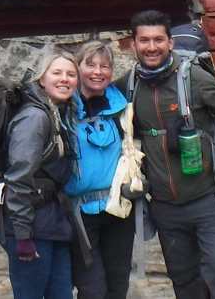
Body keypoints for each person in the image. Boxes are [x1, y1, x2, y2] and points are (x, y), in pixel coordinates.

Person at [124, 10, 215, 299]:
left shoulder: (192, 77)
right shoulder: (129, 85)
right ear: (133, 45)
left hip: (207, 201)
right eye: (144, 40)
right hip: (165, 208)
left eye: (158, 39)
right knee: (185, 285)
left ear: (170, 42)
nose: (152, 46)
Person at [1, 49, 80, 299]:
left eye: (71, 74)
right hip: (31, 229)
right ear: (41, 80)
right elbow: (18, 176)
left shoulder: (57, 114)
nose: (64, 79)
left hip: (51, 224)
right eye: (56, 73)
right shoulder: (34, 117)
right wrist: (23, 236)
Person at [64, 40, 137, 299]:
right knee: (92, 290)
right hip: (79, 214)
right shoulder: (62, 108)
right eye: (90, 65)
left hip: (118, 209)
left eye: (105, 66)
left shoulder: (123, 108)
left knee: (118, 286)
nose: (98, 72)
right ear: (78, 67)